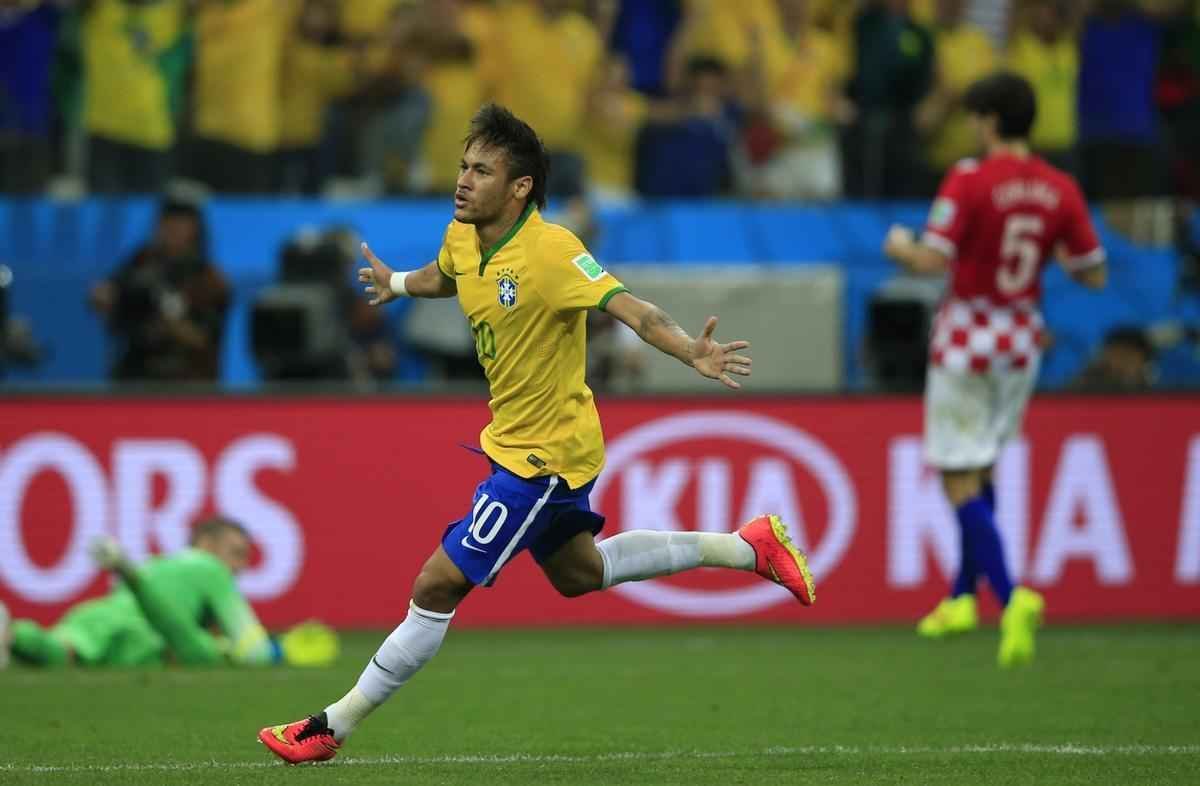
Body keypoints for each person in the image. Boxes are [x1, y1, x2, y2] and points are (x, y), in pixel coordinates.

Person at [258, 104, 815, 765]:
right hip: (523, 444)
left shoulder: (552, 251)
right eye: (463, 166)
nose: (463, 180)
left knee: (436, 586)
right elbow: (449, 273)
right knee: (581, 573)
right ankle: (746, 547)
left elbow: (630, 307)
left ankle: (332, 727)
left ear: (519, 186)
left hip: (544, 458)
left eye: (482, 170)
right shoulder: (464, 235)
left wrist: (688, 349)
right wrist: (400, 284)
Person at [882, 73, 1108, 667]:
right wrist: (1051, 250)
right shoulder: (1060, 188)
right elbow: (1094, 273)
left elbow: (933, 260)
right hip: (1022, 338)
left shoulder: (970, 177)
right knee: (981, 467)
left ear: (986, 120)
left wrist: (900, 246)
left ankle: (1011, 597)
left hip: (968, 334)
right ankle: (962, 597)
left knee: (956, 474)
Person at [0, 517, 335, 668]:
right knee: (204, 654)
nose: (241, 566)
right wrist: (282, 651)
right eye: (236, 553)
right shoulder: (210, 568)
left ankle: (13, 634)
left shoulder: (160, 563)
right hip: (142, 635)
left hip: (95, 614)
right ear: (205, 544)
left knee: (59, 650)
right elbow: (253, 652)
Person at [89, 196, 230, 382]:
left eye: (180, 223)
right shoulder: (141, 261)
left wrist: (171, 323)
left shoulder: (210, 279)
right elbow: (109, 293)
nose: (171, 229)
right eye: (166, 221)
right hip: (135, 371)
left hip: (187, 379)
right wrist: (104, 297)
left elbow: (206, 339)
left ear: (195, 229)